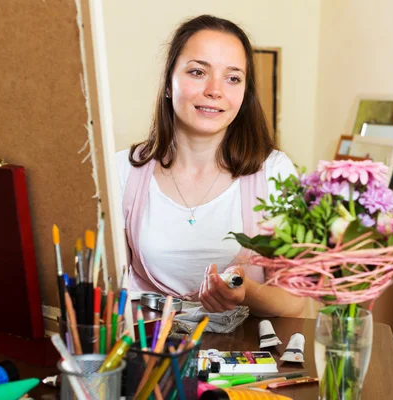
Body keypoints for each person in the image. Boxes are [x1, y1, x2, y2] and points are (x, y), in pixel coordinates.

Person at [115, 15, 305, 318]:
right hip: (150, 352)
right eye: (198, 72)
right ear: (167, 83)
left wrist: (247, 292)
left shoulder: (275, 172)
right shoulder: (123, 171)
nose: (215, 90)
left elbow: (296, 304)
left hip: (244, 355)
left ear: (244, 94)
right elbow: (108, 289)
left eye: (232, 78)